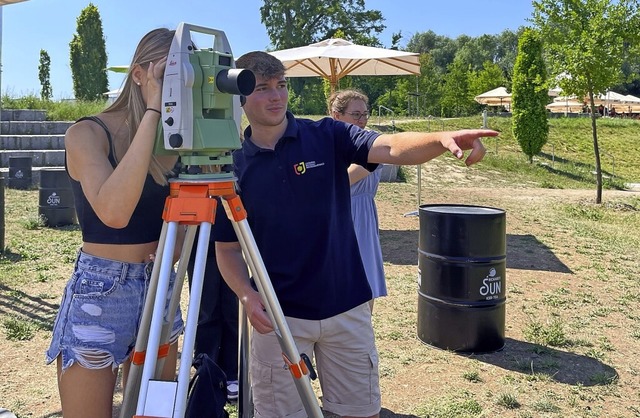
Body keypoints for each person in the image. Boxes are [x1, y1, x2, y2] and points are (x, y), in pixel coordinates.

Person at [216, 51, 497, 418]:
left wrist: (441, 138)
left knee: (360, 412)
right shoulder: (231, 165)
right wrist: (247, 296)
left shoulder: (326, 135)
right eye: (263, 88)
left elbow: (390, 147)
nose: (277, 96)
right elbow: (227, 249)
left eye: (282, 85)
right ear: (240, 97)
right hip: (278, 316)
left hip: (346, 307)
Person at [45, 28, 184, 418]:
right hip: (102, 290)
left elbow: (188, 220)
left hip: (159, 284)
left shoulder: (178, 138)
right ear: (139, 74)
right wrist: (153, 114)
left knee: (155, 412)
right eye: (167, 74)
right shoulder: (87, 133)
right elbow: (114, 213)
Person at [329, 89, 386, 312]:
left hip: (359, 215)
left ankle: (363, 331)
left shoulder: (371, 146)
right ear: (336, 116)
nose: (362, 121)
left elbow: (346, 179)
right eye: (356, 115)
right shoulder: (328, 143)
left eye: (365, 114)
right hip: (334, 213)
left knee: (364, 278)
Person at [186, 197, 239, 402]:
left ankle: (232, 372)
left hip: (230, 240)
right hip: (198, 241)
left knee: (231, 309)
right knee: (206, 311)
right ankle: (205, 370)